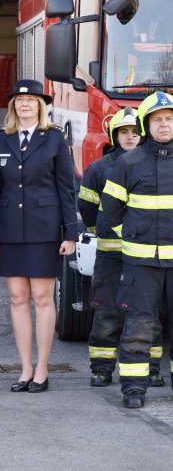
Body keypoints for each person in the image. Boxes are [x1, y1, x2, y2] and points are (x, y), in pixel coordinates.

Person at [0, 79, 77, 393]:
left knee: (42, 298)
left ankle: (42, 369)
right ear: (13, 106)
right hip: (10, 227)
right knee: (17, 298)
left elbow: (67, 188)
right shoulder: (2, 138)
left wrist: (71, 233)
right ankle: (24, 367)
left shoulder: (54, 139)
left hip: (45, 228)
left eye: (31, 100)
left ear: (40, 105)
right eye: (19, 100)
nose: (25, 104)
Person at [78, 108, 165, 388]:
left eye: (134, 131)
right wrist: (102, 233)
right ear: (114, 135)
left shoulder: (149, 162)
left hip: (144, 257)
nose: (130, 137)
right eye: (124, 132)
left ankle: (151, 368)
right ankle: (102, 368)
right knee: (107, 311)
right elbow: (88, 209)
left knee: (148, 313)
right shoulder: (100, 168)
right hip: (113, 253)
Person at [101, 91, 173, 408]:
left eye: (170, 119)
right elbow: (110, 211)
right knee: (139, 325)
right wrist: (132, 238)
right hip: (141, 264)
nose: (165, 124)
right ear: (146, 125)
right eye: (158, 119)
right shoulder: (128, 163)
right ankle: (133, 388)